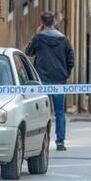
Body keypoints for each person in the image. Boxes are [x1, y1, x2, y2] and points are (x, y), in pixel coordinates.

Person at [25, 12, 75, 151]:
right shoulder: (64, 39)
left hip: (42, 80)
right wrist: (65, 74)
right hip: (59, 80)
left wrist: (36, 34)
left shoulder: (39, 38)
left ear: (42, 23)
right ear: (54, 22)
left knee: (41, 112)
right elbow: (71, 59)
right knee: (60, 112)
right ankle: (60, 142)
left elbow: (28, 52)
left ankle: (41, 142)